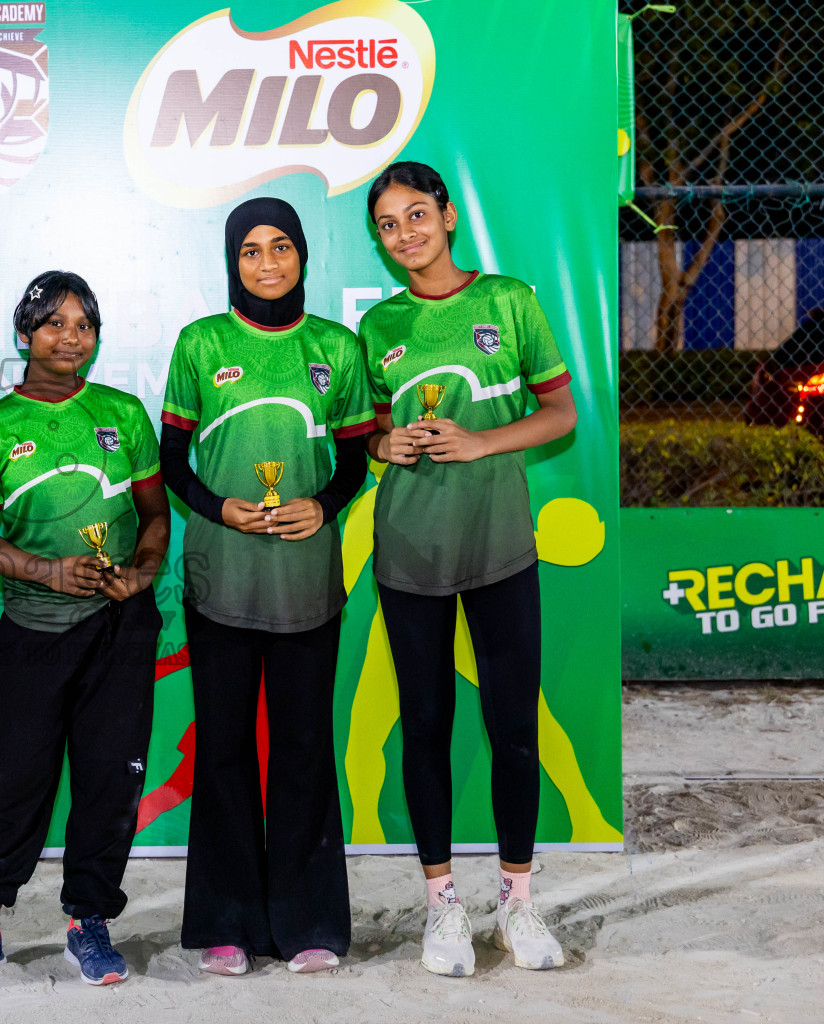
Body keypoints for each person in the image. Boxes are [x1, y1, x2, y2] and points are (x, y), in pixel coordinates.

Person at [0, 271, 169, 990]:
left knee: (108, 783)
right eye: (53, 323)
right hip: (32, 632)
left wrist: (144, 570)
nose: (70, 337)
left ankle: (89, 923)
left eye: (83, 323)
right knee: (18, 780)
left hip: (121, 628)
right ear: (25, 334)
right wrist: (46, 572)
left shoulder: (122, 412)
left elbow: (155, 514)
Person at [360, 161, 577, 976]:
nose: (406, 234)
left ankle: (519, 902)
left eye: (418, 215)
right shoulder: (378, 328)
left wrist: (483, 439)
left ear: (447, 216)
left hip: (500, 549)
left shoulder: (509, 301)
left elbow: (560, 411)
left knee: (513, 729)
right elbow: (369, 436)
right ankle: (442, 903)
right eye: (389, 225)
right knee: (426, 728)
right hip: (410, 553)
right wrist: (392, 443)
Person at [161, 198, 371, 976]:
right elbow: (172, 458)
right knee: (222, 750)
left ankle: (309, 922)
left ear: (303, 255)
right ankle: (229, 923)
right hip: (220, 577)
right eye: (250, 250)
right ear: (232, 262)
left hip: (306, 580)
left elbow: (353, 457)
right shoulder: (201, 343)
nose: (268, 262)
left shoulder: (335, 349)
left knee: (304, 747)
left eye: (281, 246)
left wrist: (325, 502)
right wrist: (220, 509)